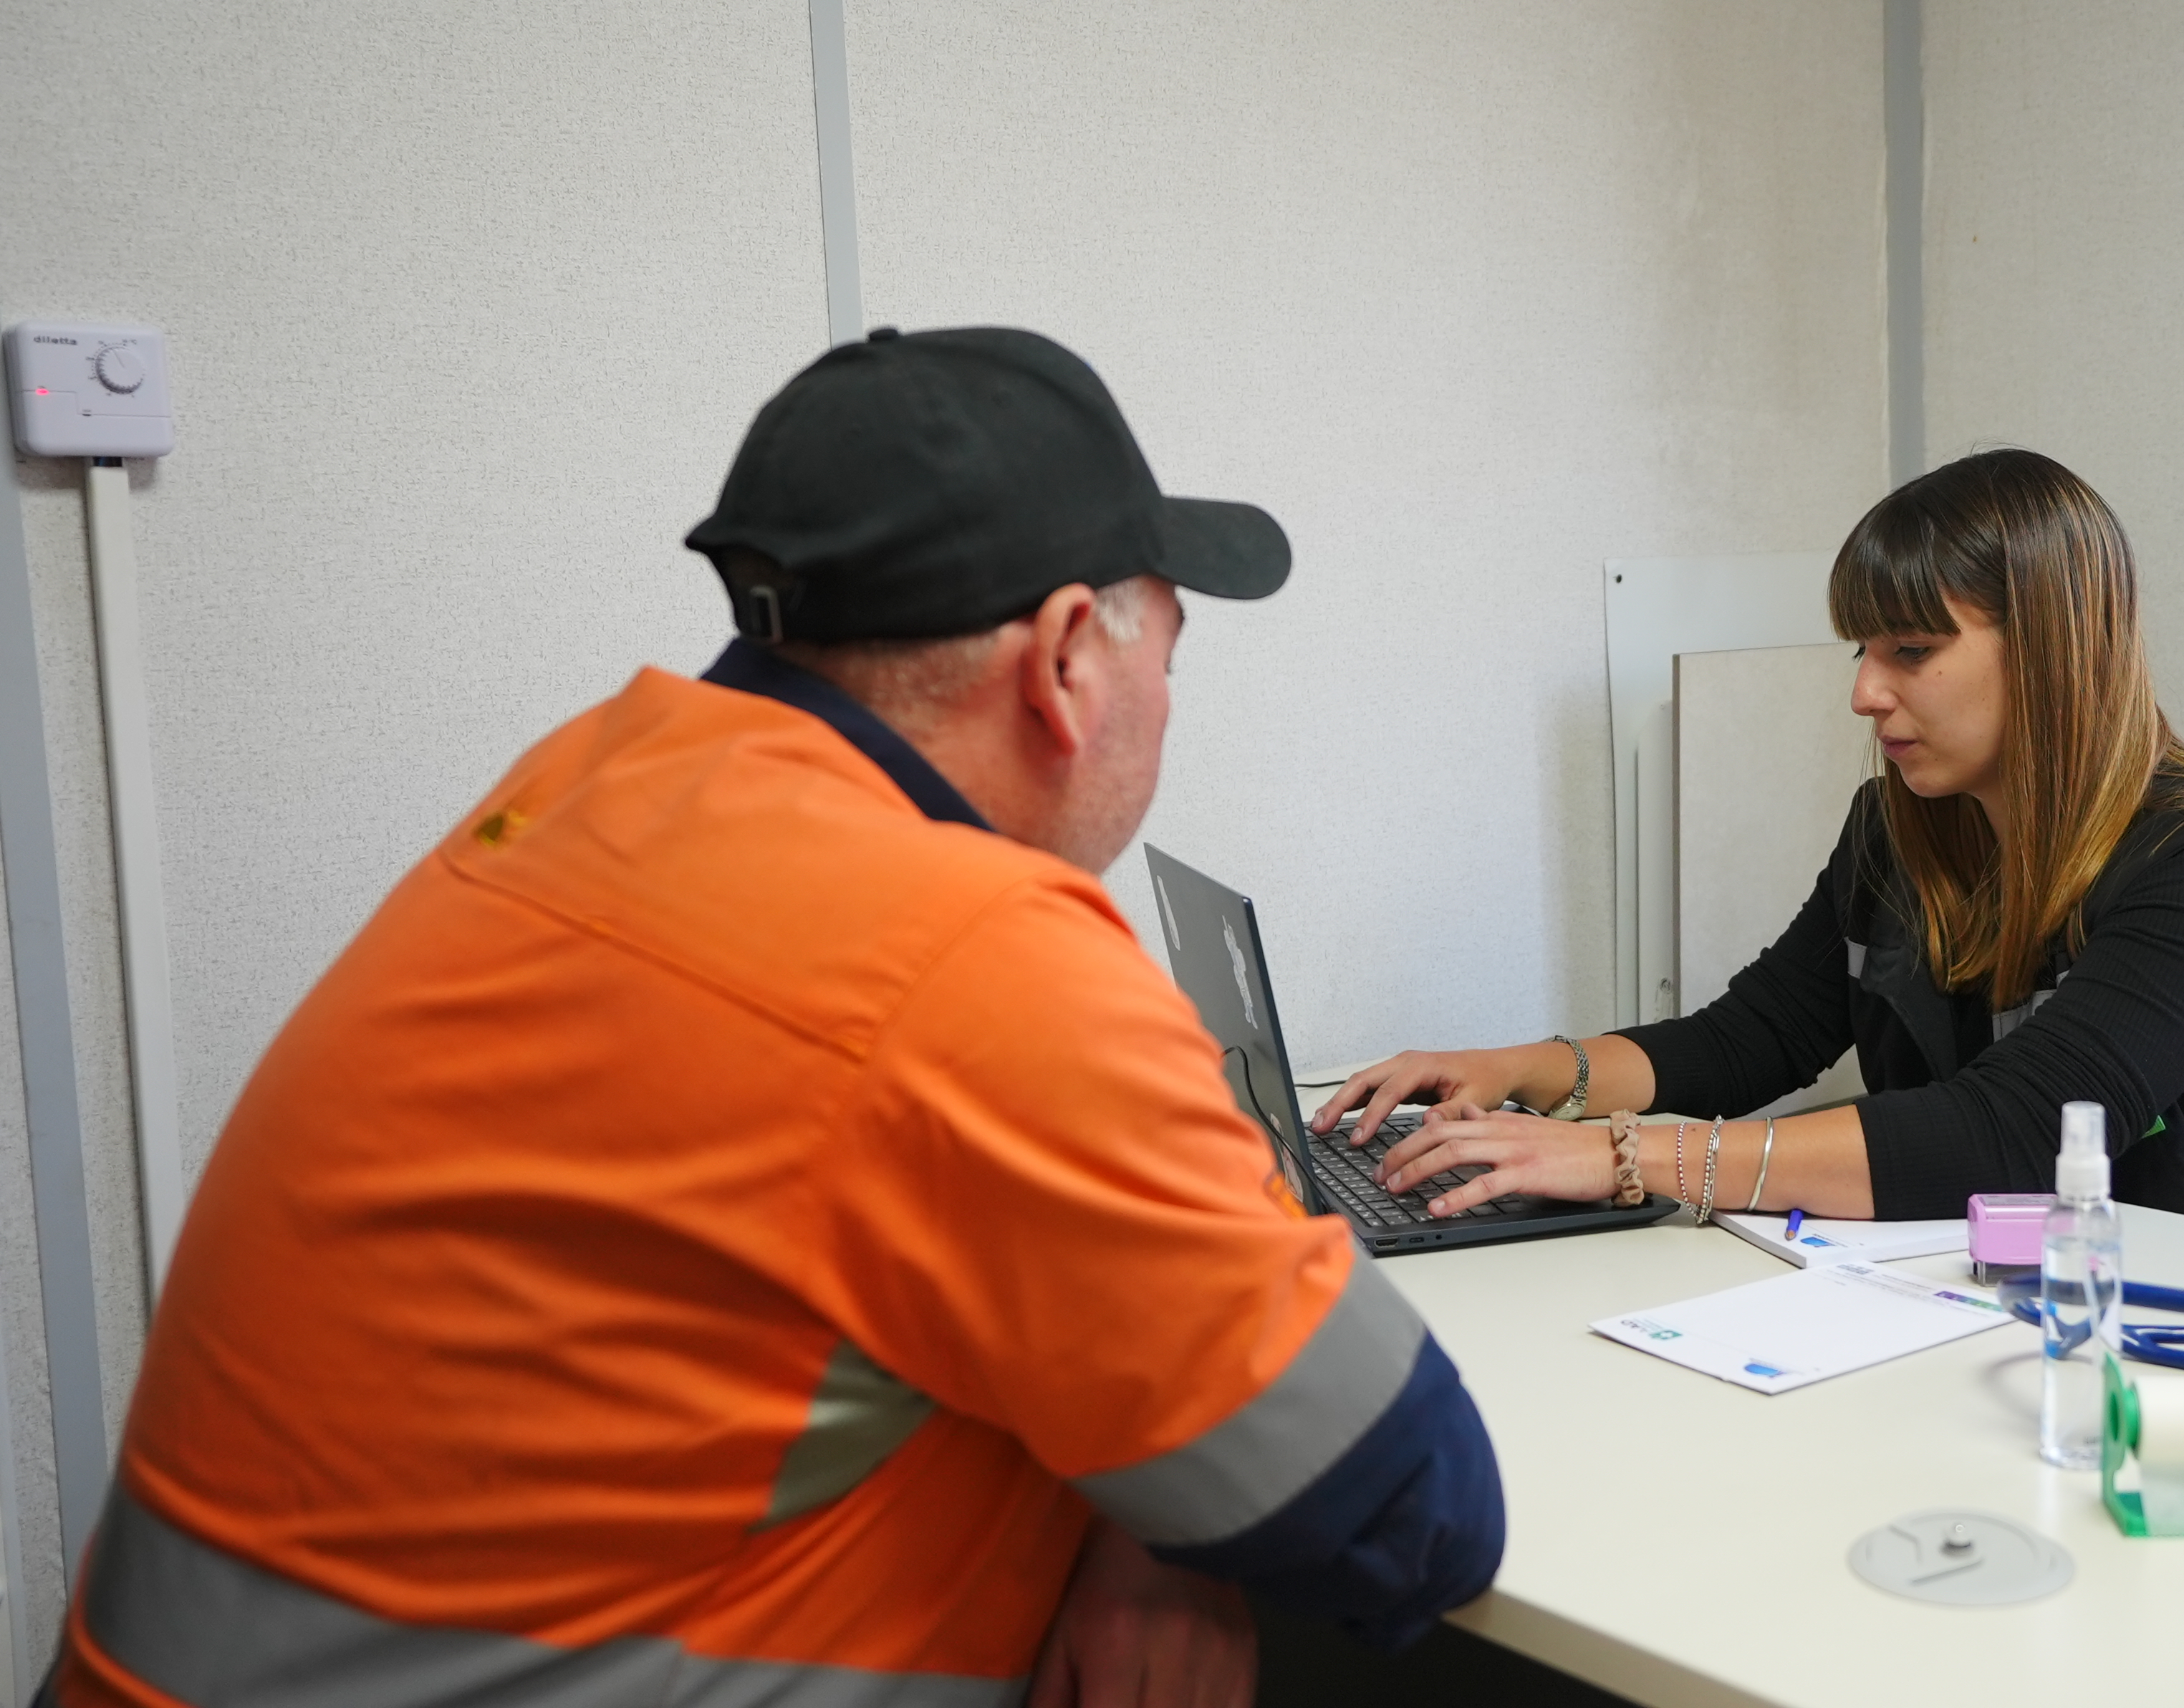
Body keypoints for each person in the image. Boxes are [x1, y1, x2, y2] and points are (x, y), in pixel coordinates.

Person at [47, 327, 1501, 1708]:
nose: (1168, 706)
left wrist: (1146, 1511)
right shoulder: (966, 962)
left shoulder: (592, 785)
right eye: (1168, 658)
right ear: (1067, 659)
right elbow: (1413, 1509)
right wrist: (1174, 1496)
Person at [1317, 448, 2184, 1250]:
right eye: (1863, 652)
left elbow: (2011, 1136)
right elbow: (1754, 1039)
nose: (1866, 693)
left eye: (1912, 651)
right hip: (2021, 1304)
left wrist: (1624, 1157)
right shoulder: (1900, 827)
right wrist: (1526, 1073)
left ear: (2054, 652)